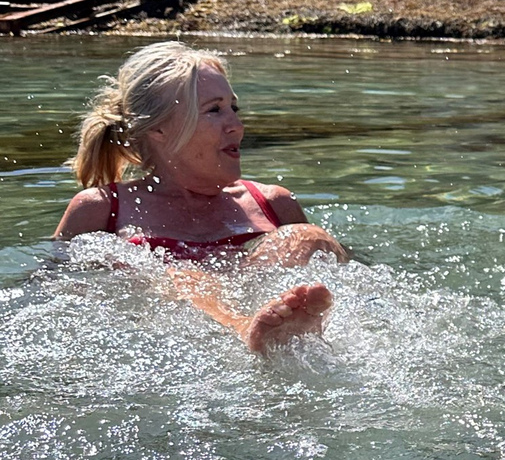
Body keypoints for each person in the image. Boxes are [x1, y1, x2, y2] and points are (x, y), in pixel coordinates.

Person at [53, 41, 350, 354]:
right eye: (215, 110)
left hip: (259, 302)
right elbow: (53, 292)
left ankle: (297, 326)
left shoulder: (274, 204)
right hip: (171, 342)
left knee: (305, 236)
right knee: (180, 274)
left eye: (233, 108)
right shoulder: (101, 209)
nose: (236, 125)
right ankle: (249, 330)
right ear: (159, 129)